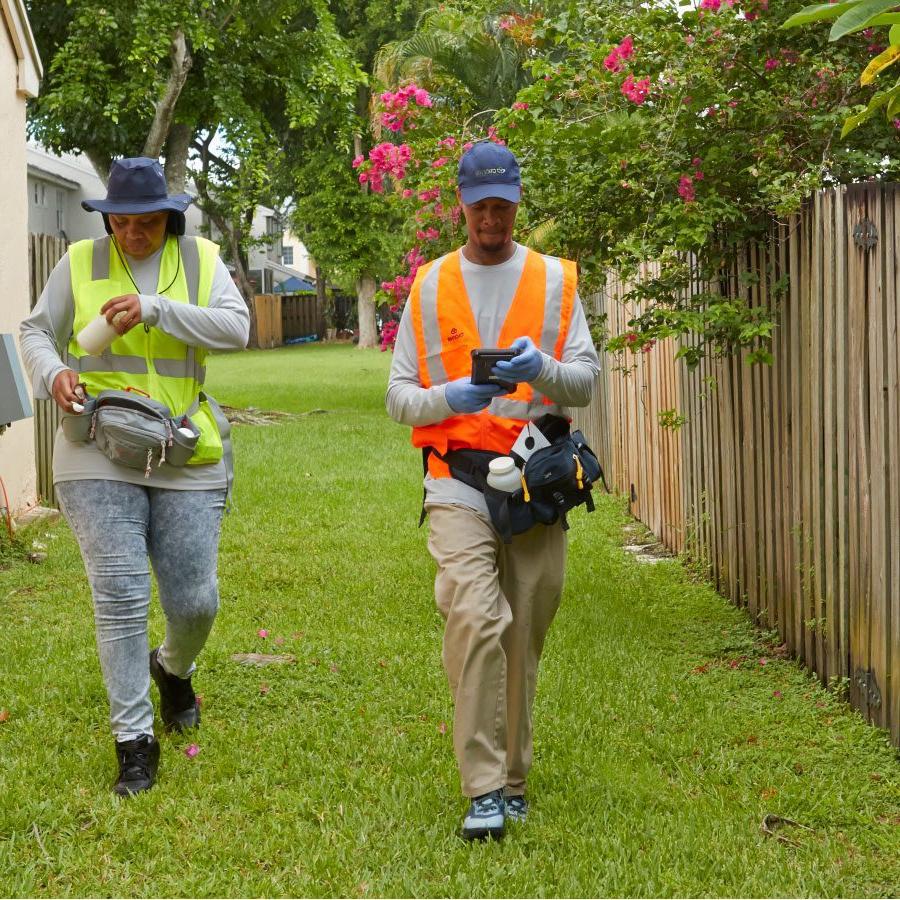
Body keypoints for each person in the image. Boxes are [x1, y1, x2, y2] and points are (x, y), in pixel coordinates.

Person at [386, 140, 600, 840]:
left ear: (516, 201)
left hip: (537, 480)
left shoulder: (554, 281)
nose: (492, 219)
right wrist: (452, 394)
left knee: (524, 631)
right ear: (461, 203)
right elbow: (397, 398)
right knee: (477, 617)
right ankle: (482, 789)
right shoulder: (428, 285)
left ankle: (513, 778)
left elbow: (586, 383)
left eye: (503, 205)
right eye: (480, 206)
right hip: (456, 479)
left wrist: (541, 369)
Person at [20, 157, 250, 796]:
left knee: (194, 600)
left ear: (168, 219)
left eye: (145, 223)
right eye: (120, 222)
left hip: (179, 447)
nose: (132, 235)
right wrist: (53, 374)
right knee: (120, 594)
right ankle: (134, 742)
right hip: (95, 444)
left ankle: (172, 666)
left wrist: (155, 309)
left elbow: (238, 330)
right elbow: (36, 331)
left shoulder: (201, 260)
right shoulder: (80, 262)